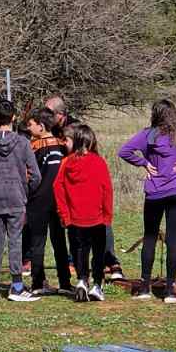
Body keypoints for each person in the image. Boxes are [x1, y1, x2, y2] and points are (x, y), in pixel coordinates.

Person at [118, 99, 176, 303]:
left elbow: (124, 151)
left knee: (150, 237)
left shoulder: (149, 134)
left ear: (156, 115)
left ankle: (144, 287)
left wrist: (143, 163)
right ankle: (170, 289)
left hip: (154, 193)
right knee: (173, 239)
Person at [46, 94, 125, 282]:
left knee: (100, 225)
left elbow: (104, 184)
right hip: (68, 191)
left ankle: (111, 262)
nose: (46, 117)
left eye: (49, 113)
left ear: (60, 114)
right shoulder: (51, 131)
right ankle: (78, 267)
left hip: (86, 189)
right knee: (76, 234)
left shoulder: (75, 129)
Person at [0, 98, 40, 301]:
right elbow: (35, 175)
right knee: (15, 241)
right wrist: (24, 191)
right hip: (16, 198)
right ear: (13, 117)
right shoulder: (23, 143)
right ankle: (17, 286)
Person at [53, 122, 114, 302]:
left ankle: (81, 280)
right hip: (97, 217)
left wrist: (64, 213)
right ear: (91, 141)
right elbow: (107, 189)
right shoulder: (98, 162)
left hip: (74, 218)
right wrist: (107, 214)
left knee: (79, 250)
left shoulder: (68, 162)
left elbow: (58, 186)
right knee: (98, 251)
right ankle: (97, 284)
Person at [22, 106, 72, 296]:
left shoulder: (32, 147)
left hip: (38, 200)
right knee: (59, 241)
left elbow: (28, 174)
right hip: (58, 200)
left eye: (31, 125)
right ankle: (65, 282)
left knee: (37, 242)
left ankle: (37, 283)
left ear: (41, 126)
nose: (28, 128)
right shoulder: (62, 145)